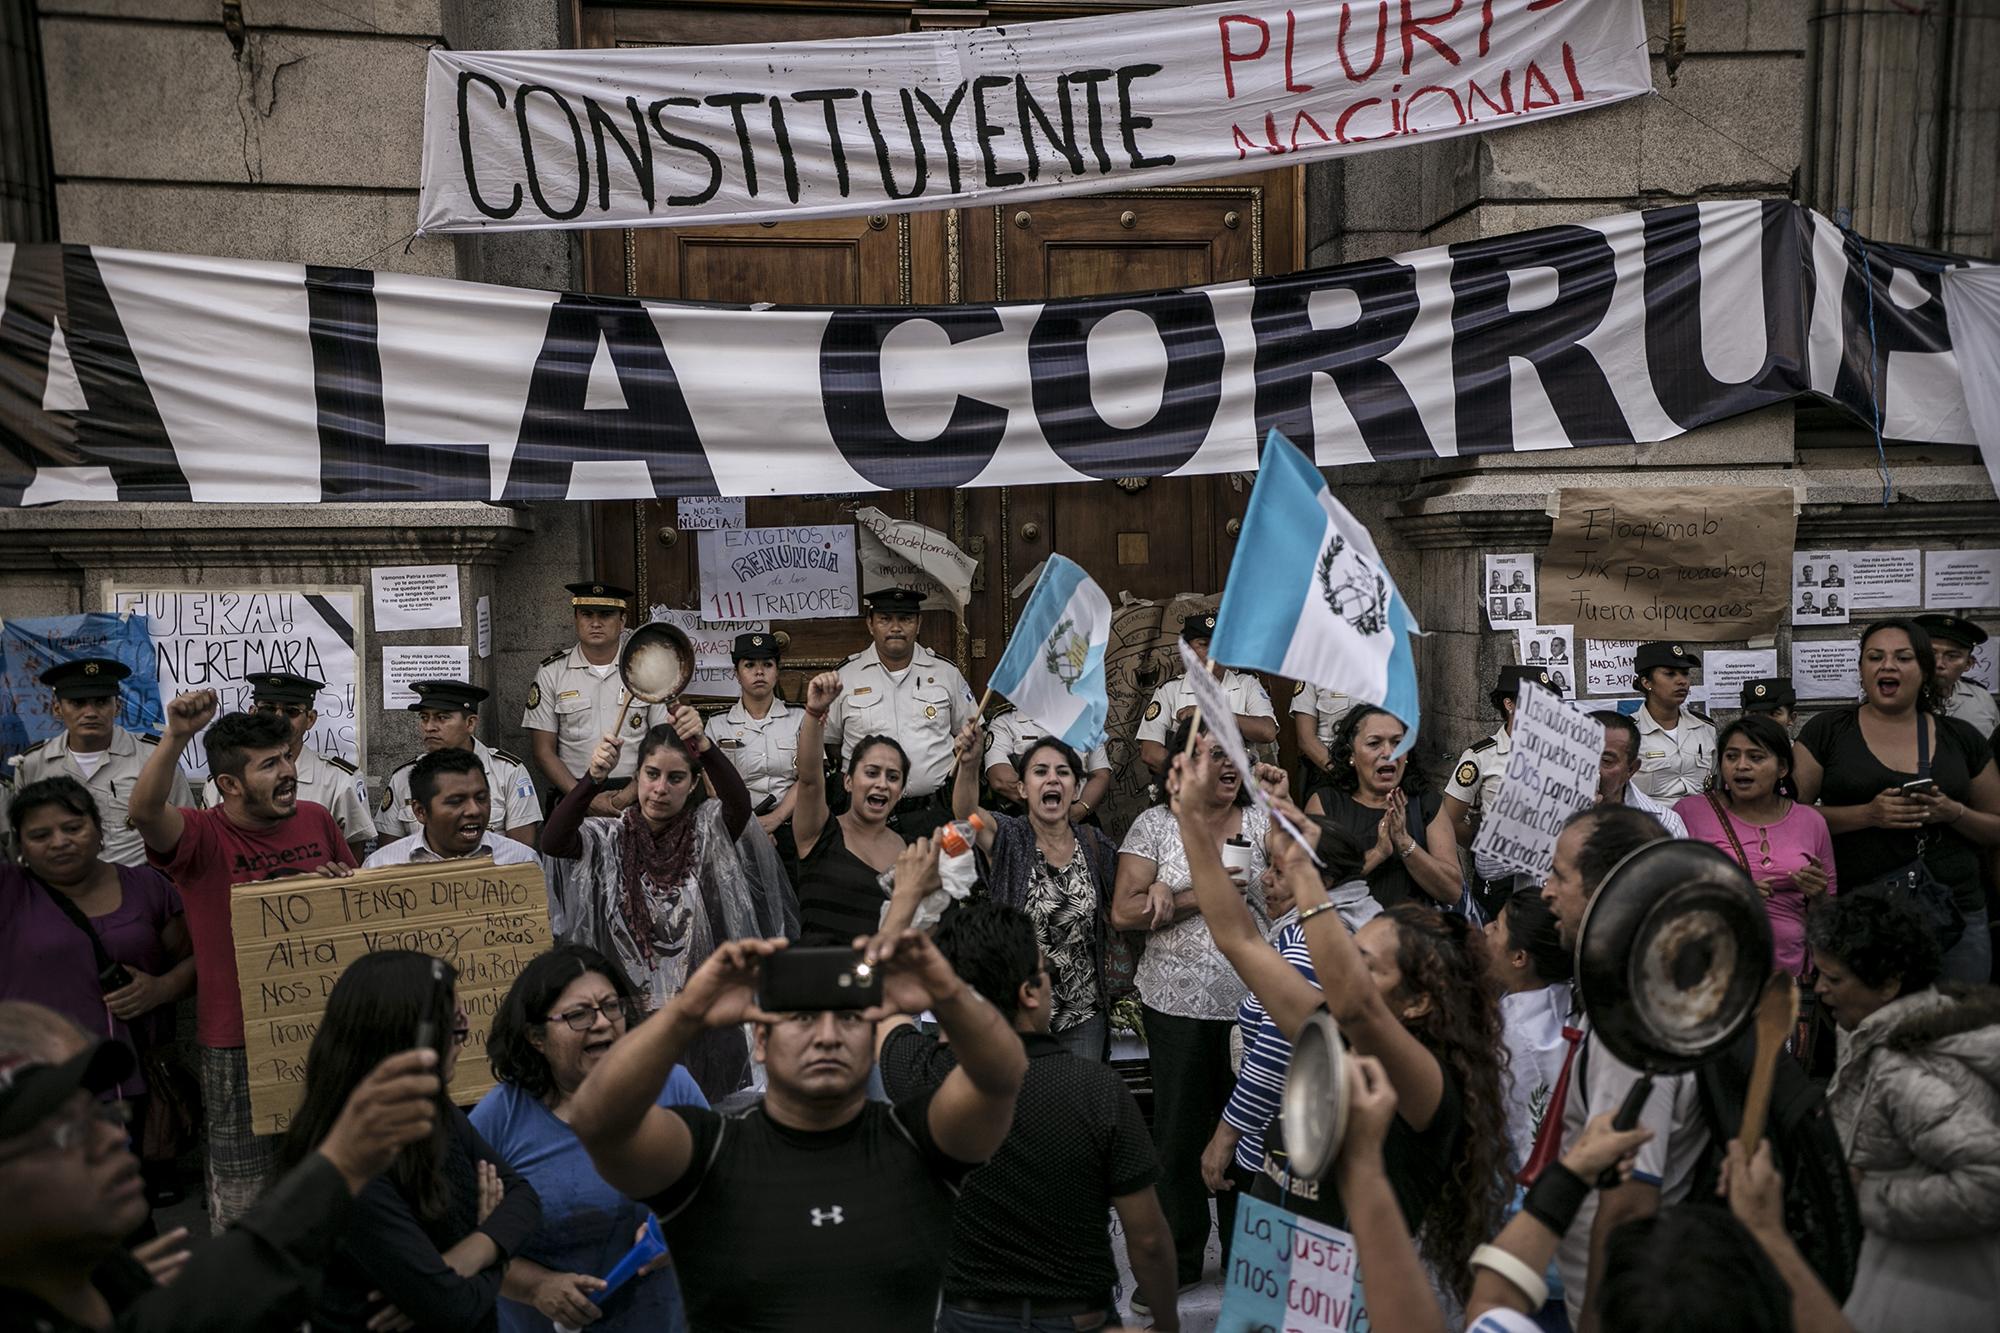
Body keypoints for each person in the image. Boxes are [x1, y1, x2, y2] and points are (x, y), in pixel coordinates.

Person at [1168, 750, 1507, 1312]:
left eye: (1367, 963)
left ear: (1420, 1001)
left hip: (1351, 1301)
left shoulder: (1428, 1084)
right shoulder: (1328, 1029)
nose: (1345, 969)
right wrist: (1190, 819)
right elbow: (1238, 938)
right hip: (1271, 1272)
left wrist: (1304, 872)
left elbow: (1359, 1010)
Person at [565, 928, 1029, 1333]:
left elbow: (1001, 1076)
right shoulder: (709, 1152)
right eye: (803, 1018)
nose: (827, 1036)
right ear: (761, 1042)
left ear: (872, 1041)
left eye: (849, 1018)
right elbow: (597, 1118)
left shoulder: (919, 1140)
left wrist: (944, 991)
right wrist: (690, 1010)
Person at [0, 998, 447, 1333]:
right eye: (68, 1132)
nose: (115, 1138)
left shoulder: (110, 1283)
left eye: (103, 1114)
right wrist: (339, 1164)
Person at [876, 894, 1181, 1332]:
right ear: (1029, 993)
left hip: (969, 1321)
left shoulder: (921, 1074)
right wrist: (1167, 1323)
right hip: (1076, 1318)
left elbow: (882, 1003)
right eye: (1046, 971)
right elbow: (1148, 1240)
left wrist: (904, 897)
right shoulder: (1097, 1089)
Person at [128, 692, 356, 1228]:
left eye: (288, 757)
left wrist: (336, 889)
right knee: (244, 1191)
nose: (288, 772)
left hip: (324, 1029)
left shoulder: (318, 819)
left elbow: (356, 908)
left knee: (330, 1178)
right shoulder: (201, 837)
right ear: (228, 784)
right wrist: (176, 736)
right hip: (238, 1042)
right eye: (269, 764)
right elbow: (143, 812)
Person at [539, 707, 794, 1099]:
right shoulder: (608, 837)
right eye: (652, 775)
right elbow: (554, 840)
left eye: (676, 778)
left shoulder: (707, 831)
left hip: (699, 1012)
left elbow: (738, 805)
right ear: (637, 775)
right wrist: (592, 780)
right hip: (630, 1010)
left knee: (701, 1118)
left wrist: (707, 749)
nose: (660, 789)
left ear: (693, 784)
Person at [281, 951, 543, 1333]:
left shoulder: (433, 1111)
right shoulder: (350, 1168)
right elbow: (454, 1309)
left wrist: (464, 1258)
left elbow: (524, 1199)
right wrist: (491, 1258)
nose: (463, 1042)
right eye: (453, 1030)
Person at [1110, 718, 1271, 1289]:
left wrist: (1175, 896)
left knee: (1249, 1134)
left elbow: (1300, 889)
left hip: (1255, 1004)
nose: (1229, 764)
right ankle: (1178, 1259)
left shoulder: (1262, 821)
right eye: (1212, 754)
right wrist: (1202, 896)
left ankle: (1245, 1259)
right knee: (1178, 1135)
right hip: (1175, 1002)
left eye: (1236, 753)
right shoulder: (1154, 827)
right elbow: (1125, 912)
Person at [1538, 805, 1712, 1331]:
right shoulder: (1650, 992)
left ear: (1608, 891)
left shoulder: (1631, 1033)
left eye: (1559, 875)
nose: (1546, 891)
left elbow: (1629, 1205)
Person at [472, 945, 707, 1333]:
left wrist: (682, 1224)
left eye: (611, 1007)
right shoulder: (497, 1121)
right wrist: (535, 1288)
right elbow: (457, 1243)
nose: (602, 1024)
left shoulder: (671, 1086)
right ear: (536, 1037)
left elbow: (722, 1190)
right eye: (578, 1015)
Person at [1808, 893, 2000, 1332]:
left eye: (1833, 978)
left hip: (1928, 1292)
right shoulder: (1875, 1032)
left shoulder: (1904, 1072)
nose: (1819, 989)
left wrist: (1870, 1197)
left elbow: (1991, 1180)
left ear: (1889, 984)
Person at [1, 779, 192, 1201]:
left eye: (73, 827)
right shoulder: (9, 893)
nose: (59, 842)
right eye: (40, 835)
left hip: (128, 1085)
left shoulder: (147, 887)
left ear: (99, 829)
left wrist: (160, 989)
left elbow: (196, 960)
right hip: (34, 1091)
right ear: (20, 845)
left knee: (124, 1212)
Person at [1793, 618, 2000, 984]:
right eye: (1875, 657)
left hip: (1954, 913)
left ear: (1923, 669)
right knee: (1869, 1030)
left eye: (1903, 657)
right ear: (1861, 669)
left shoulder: (1962, 738)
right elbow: (1787, 818)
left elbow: (1995, 827)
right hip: (1859, 914)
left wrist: (1954, 812)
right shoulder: (1827, 731)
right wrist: (1867, 815)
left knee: (1956, 1031)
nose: (1887, 665)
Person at [1206, 821, 1372, 1221]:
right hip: (1310, 1137)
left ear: (1319, 879)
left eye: (1280, 872)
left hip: (1287, 1147)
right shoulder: (1352, 918)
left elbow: (1278, 1052)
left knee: (1278, 1271)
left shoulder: (1306, 942)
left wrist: (1226, 1135)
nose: (1264, 879)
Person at [948, 720, 1119, 1060]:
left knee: (1074, 1110)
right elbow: (967, 816)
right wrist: (970, 763)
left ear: (1075, 787)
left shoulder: (1095, 845)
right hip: (1016, 1014)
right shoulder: (1008, 837)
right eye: (1040, 771)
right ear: (1024, 789)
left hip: (1083, 1015)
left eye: (1063, 772)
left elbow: (1128, 900)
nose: (1052, 779)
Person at [1674, 714, 1835, 978]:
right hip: (1711, 973)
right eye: (1732, 756)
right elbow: (1665, 896)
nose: (1741, 766)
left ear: (1782, 768)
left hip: (1788, 976)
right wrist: (1728, 895)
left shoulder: (1811, 821)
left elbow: (1829, 915)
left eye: (1756, 757)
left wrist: (1819, 895)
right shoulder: (1689, 813)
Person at [823, 586, 978, 838]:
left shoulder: (946, 674)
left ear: (918, 624)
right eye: (885, 619)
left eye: (905, 619)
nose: (896, 627)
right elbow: (830, 745)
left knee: (940, 877)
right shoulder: (845, 678)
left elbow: (971, 735)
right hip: (865, 816)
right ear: (870, 624)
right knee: (867, 878)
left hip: (935, 812)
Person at [7, 660, 193, 868]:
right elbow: (22, 837)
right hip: (59, 886)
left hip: (140, 884)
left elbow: (187, 828)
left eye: (101, 701)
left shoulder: (156, 757)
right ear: (57, 709)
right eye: (77, 703)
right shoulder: (33, 763)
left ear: (117, 707)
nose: (90, 712)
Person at [523, 583, 667, 810]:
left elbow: (663, 744)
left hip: (639, 793)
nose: (596, 623)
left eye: (606, 615)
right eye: (587, 614)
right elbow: (543, 752)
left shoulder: (646, 670)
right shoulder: (552, 672)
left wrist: (625, 797)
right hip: (574, 793)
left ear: (622, 621)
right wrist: (585, 799)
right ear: (575, 619)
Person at [792, 671, 911, 945]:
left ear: (901, 791)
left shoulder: (906, 849)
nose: (882, 783)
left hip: (880, 981)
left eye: (892, 777)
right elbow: (810, 781)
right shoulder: (819, 833)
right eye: (871, 773)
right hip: (821, 979)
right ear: (848, 781)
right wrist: (813, 713)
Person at [1313, 706, 1463, 910]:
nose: (1388, 753)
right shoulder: (1325, 803)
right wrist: (1378, 853)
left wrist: (1405, 844)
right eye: (1374, 743)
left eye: (1398, 743)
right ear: (1351, 754)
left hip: (1414, 936)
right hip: (1346, 937)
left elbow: (1453, 891)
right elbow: (1313, 887)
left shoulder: (1426, 803)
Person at [1442, 667, 1560, 916]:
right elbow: (1450, 818)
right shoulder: (1482, 756)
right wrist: (1481, 847)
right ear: (1510, 704)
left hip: (1549, 872)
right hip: (1499, 877)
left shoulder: (1561, 754)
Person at [384, 680, 542, 847]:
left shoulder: (508, 772)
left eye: (442, 717)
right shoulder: (403, 777)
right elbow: (388, 854)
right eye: (424, 718)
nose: (429, 727)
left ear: (470, 723)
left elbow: (521, 853)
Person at [245, 670, 376, 862]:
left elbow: (352, 857)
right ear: (253, 714)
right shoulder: (223, 782)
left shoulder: (339, 780)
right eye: (268, 710)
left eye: (291, 711)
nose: (278, 719)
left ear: (311, 719)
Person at [1134, 612, 1277, 780]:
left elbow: (1267, 732)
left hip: (1240, 787)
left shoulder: (1248, 684)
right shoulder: (1169, 690)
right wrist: (1202, 778)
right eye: (1203, 644)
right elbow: (1150, 753)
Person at [702, 632, 804, 858]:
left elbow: (809, 779)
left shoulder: (800, 718)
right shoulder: (718, 725)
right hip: (737, 828)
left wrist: (774, 819)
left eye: (767, 664)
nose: (759, 672)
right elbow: (713, 787)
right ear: (736, 674)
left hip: (791, 828)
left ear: (777, 671)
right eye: (749, 665)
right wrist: (751, 826)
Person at [365, 749, 540, 868]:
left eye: (481, 798)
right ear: (420, 811)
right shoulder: (382, 866)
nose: (474, 810)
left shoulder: (522, 861)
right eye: (456, 801)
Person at [981, 705, 1111, 824]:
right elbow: (999, 778)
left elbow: (1100, 774)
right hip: (1027, 817)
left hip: (1080, 816)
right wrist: (1045, 807)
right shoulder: (1005, 722)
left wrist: (1081, 809)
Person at [1629, 643, 1714, 800]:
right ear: (1646, 682)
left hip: (1699, 818)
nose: (1682, 681)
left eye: (1685, 673)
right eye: (1670, 674)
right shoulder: (1629, 731)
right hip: (1649, 821)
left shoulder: (1705, 727)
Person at [1588, 710, 1688, 836]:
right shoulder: (1557, 810)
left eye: (1607, 761)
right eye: (1584, 754)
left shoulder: (1664, 824)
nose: (1592, 768)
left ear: (1631, 769)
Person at [1917, 613, 2000, 735]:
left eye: (1952, 656)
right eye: (1931, 653)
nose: (1939, 664)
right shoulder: (1897, 698)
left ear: (1968, 664)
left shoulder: (1982, 699)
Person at [1291, 679, 1357, 806]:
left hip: (1377, 773)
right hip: (1329, 773)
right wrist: (1341, 773)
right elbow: (1306, 739)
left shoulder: (1385, 666)